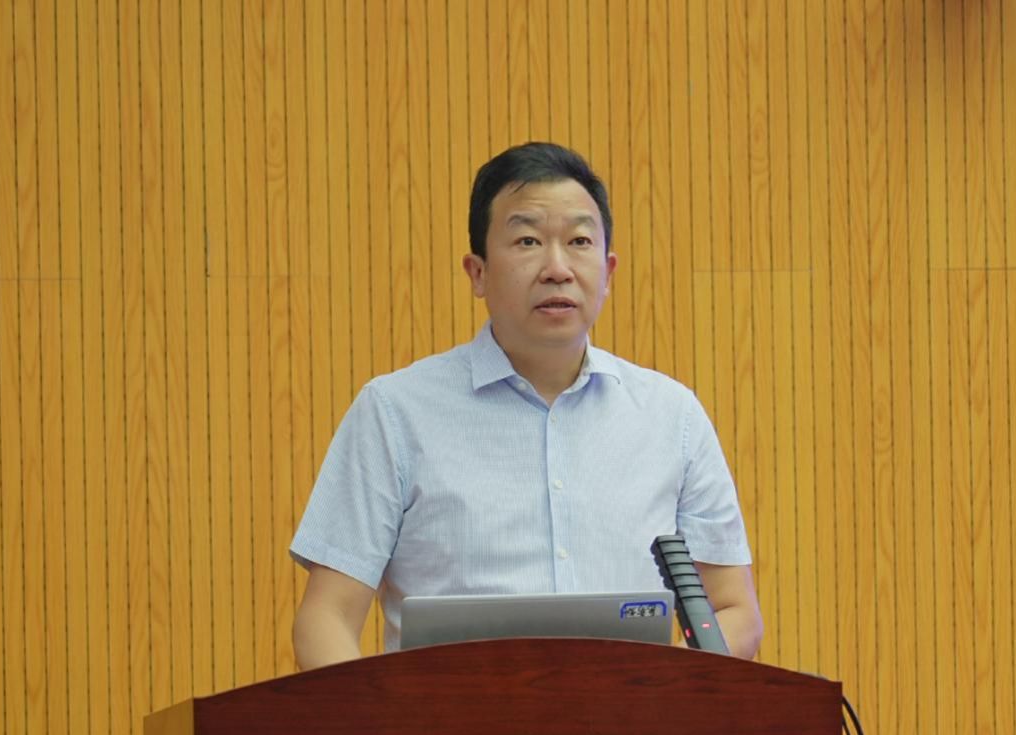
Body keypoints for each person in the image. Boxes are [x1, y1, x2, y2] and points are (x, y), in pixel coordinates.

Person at [290, 142, 763, 669]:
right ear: (478, 272)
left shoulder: (672, 416)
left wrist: (651, 694)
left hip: (633, 721)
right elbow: (327, 617)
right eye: (528, 241)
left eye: (579, 241)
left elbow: (733, 609)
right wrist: (375, 722)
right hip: (444, 721)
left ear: (608, 272)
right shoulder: (394, 413)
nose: (557, 268)